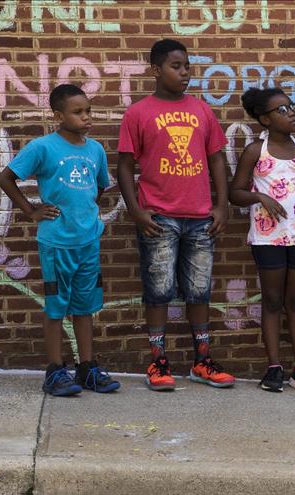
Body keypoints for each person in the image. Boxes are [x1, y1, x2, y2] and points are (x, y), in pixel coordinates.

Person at [117, 39, 235, 391]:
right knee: (159, 292)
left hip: (200, 217)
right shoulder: (138, 113)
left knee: (199, 292)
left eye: (187, 67)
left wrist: (222, 205)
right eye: (176, 66)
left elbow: (216, 158)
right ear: (156, 70)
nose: (184, 73)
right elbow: (124, 165)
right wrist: (136, 211)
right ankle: (158, 362)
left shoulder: (201, 110)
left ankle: (202, 360)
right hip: (159, 219)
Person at [0, 83, 120, 397]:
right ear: (58, 115)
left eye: (88, 111)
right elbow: (6, 177)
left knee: (84, 307)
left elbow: (100, 186)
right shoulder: (43, 147)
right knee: (56, 307)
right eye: (78, 112)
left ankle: (87, 367)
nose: (86, 118)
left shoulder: (94, 150)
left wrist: (87, 213)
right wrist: (30, 210)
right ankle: (55, 371)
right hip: (57, 243)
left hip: (88, 241)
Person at [229, 87, 295, 394]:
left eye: (291, 107)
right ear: (264, 119)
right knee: (272, 302)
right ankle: (273, 368)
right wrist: (259, 196)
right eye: (281, 110)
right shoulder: (256, 151)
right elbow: (235, 193)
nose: (291, 113)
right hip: (267, 238)